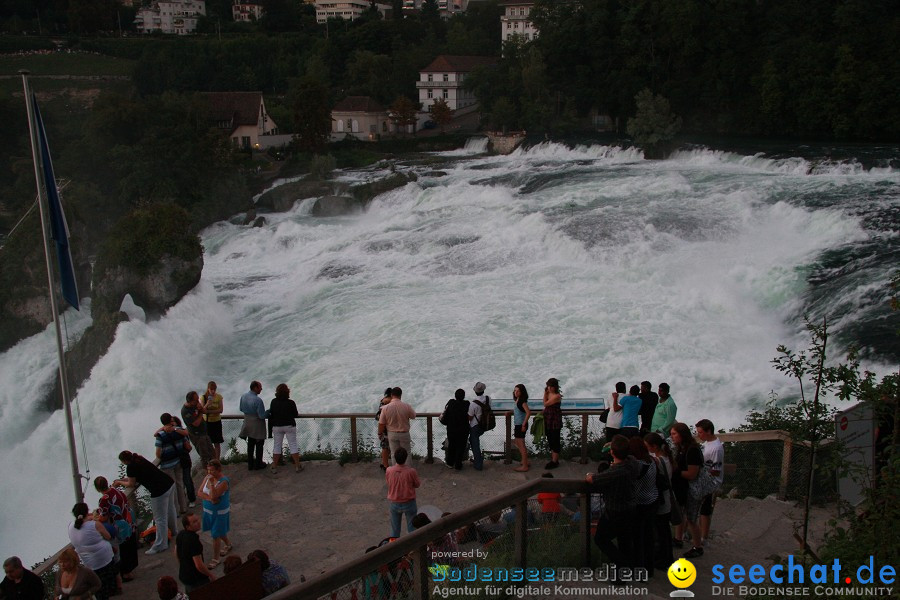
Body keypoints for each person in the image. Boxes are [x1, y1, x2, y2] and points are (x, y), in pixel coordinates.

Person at [585, 435, 640, 574]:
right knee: (625, 540)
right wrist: (617, 446)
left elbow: (592, 479)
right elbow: (629, 456)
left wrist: (588, 475)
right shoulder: (632, 462)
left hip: (615, 511)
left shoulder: (616, 471)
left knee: (600, 539)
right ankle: (628, 570)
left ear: (612, 452)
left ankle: (622, 564)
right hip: (631, 508)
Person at [114, 450, 176, 555]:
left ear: (124, 461)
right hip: (168, 483)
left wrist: (119, 482)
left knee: (160, 518)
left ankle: (160, 545)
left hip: (159, 491)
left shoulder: (131, 467)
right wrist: (124, 479)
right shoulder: (139, 459)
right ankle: (174, 531)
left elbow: (131, 483)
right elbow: (136, 476)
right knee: (171, 509)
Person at [67, 503, 118, 600]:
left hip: (89, 564)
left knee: (97, 588)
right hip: (104, 559)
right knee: (107, 585)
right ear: (87, 511)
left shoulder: (70, 527)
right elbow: (108, 536)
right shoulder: (95, 524)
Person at [670, 422, 704, 558]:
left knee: (691, 518)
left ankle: (698, 546)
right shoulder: (682, 447)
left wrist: (675, 472)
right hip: (684, 488)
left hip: (693, 489)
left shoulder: (692, 450)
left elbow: (692, 474)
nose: (672, 437)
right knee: (682, 514)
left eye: (674, 434)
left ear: (682, 435)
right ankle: (678, 539)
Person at [94, 476, 138, 581]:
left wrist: (95, 518)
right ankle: (130, 569)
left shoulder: (104, 499)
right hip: (128, 519)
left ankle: (126, 573)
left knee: (123, 549)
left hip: (120, 525)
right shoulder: (115, 490)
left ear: (97, 488)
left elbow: (103, 517)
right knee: (130, 544)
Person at [628, 436, 659, 576]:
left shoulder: (637, 465)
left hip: (639, 504)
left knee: (637, 538)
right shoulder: (652, 461)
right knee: (648, 536)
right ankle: (649, 568)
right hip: (652, 501)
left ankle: (638, 569)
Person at [644, 432, 675, 569]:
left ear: (654, 446)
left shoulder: (659, 461)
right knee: (665, 531)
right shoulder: (666, 457)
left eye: (647, 446)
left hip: (661, 500)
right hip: (667, 498)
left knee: (661, 532)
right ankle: (667, 558)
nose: (646, 449)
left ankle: (664, 560)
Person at [197, 459, 233, 567]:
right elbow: (199, 492)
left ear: (219, 470)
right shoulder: (207, 478)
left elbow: (215, 496)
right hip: (208, 510)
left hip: (219, 512)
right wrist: (209, 499)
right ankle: (228, 544)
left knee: (215, 535)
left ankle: (216, 558)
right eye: (208, 471)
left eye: (212, 471)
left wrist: (212, 484)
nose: (209, 473)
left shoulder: (223, 482)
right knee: (218, 530)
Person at [696, 418, 724, 547]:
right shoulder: (708, 443)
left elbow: (716, 471)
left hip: (711, 482)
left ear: (708, 431)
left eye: (700, 432)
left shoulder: (716, 448)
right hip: (704, 478)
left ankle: (703, 538)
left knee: (705, 509)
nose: (698, 435)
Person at [155, 413, 190, 515]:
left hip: (167, 465)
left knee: (172, 487)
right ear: (170, 420)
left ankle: (176, 510)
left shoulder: (160, 435)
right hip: (178, 460)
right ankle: (183, 507)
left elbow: (158, 453)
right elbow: (186, 436)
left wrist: (163, 457)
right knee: (179, 484)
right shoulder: (178, 431)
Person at [176, 513, 216, 592]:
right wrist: (211, 575)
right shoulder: (193, 540)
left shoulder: (181, 534)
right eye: (194, 522)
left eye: (197, 520)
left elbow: (176, 551)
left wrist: (183, 564)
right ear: (187, 526)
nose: (198, 522)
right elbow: (199, 565)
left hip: (184, 575)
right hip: (196, 579)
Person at [385, 447, 420, 537]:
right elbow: (417, 484)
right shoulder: (411, 471)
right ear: (406, 458)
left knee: (394, 530)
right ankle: (412, 547)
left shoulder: (389, 470)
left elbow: (388, 482)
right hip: (409, 502)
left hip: (394, 502)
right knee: (412, 528)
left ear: (394, 457)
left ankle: (394, 547)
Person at [269, 383, 303, 473]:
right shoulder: (291, 402)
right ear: (287, 392)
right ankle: (297, 466)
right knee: (293, 445)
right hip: (289, 425)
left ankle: (274, 467)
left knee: (277, 446)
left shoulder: (273, 402)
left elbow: (271, 413)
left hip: (277, 426)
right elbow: (295, 414)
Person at [378, 387, 416, 463]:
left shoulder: (385, 408)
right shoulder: (406, 406)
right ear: (401, 395)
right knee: (407, 453)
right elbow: (413, 416)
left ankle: (396, 472)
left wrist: (380, 433)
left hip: (392, 434)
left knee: (394, 453)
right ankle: (406, 471)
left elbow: (381, 423)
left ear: (392, 395)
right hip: (404, 433)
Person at [239, 381, 269, 471]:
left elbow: (241, 408)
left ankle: (250, 464)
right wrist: (268, 412)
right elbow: (261, 416)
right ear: (255, 387)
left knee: (251, 444)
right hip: (257, 423)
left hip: (247, 421)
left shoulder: (243, 396)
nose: (261, 389)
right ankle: (258, 464)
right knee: (259, 444)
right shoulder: (258, 400)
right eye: (260, 387)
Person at [182, 391, 215, 469]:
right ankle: (207, 472)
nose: (198, 401)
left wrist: (202, 407)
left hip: (204, 432)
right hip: (197, 435)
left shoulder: (195, 404)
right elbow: (196, 423)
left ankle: (214, 469)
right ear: (190, 401)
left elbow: (204, 411)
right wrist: (200, 413)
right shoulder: (186, 411)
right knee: (204, 456)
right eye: (196, 400)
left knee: (212, 452)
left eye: (198, 399)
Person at [439, 389, 468, 470]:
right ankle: (458, 465)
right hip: (463, 430)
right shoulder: (467, 404)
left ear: (455, 396)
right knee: (461, 446)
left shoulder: (451, 403)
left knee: (452, 445)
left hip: (452, 429)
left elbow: (445, 411)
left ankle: (450, 463)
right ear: (464, 396)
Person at [467, 382, 489, 471]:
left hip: (475, 426)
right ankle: (477, 459)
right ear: (483, 390)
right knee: (475, 442)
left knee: (475, 444)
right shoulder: (488, 399)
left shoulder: (473, 404)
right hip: (485, 425)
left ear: (475, 391)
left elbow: (470, 417)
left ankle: (478, 464)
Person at [509, 384, 531, 472]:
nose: (515, 392)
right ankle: (524, 461)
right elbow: (517, 411)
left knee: (521, 445)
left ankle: (525, 465)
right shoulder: (517, 401)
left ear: (522, 392)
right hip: (519, 424)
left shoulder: (522, 401)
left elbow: (528, 413)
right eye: (515, 390)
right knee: (520, 444)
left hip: (521, 425)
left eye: (518, 391)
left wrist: (523, 425)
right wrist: (509, 412)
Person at [542, 378, 563, 469]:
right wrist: (546, 394)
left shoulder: (557, 396)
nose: (549, 388)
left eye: (551, 386)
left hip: (555, 420)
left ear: (555, 387)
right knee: (550, 438)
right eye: (548, 386)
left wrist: (545, 394)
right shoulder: (550, 394)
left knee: (555, 439)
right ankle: (554, 459)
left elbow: (545, 404)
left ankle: (555, 461)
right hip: (549, 419)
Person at [202, 381, 225, 461]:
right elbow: (202, 410)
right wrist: (207, 404)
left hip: (216, 421)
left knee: (217, 442)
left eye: (214, 389)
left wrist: (209, 412)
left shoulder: (219, 397)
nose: (213, 391)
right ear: (208, 389)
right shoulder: (203, 397)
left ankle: (217, 460)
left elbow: (221, 410)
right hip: (207, 422)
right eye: (211, 389)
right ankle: (210, 460)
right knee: (208, 443)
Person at [376, 388, 392, 471]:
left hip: (383, 427)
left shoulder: (382, 401)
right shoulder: (390, 401)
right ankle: (385, 466)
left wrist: (380, 432)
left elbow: (379, 416)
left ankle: (384, 463)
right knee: (386, 447)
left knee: (385, 447)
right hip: (389, 428)